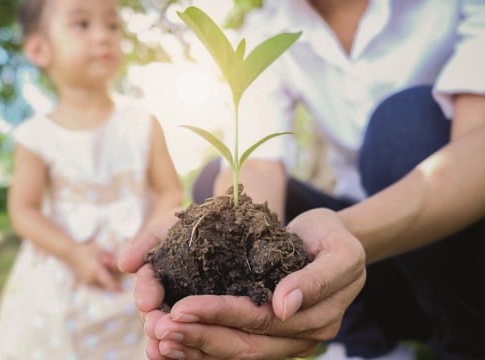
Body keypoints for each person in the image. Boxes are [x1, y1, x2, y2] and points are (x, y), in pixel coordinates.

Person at [118, 0, 485, 359]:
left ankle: (465, 342)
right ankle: (368, 345)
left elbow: (476, 151)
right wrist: (232, 242)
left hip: (459, 252)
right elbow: (258, 166)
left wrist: (348, 231)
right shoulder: (270, 25)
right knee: (217, 181)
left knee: (401, 129)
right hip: (377, 270)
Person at [0, 0, 183, 358]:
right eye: (82, 24)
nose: (103, 36)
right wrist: (73, 252)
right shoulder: (36, 136)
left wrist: (143, 243)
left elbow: (170, 190)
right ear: (39, 48)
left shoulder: (142, 122)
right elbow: (24, 210)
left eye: (112, 26)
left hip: (133, 279)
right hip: (61, 287)